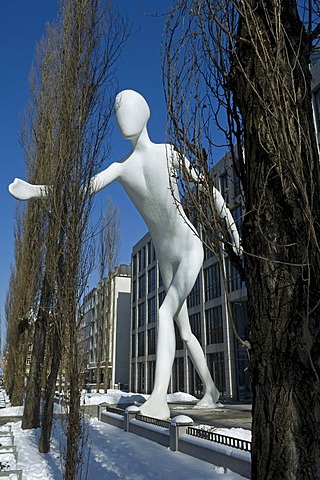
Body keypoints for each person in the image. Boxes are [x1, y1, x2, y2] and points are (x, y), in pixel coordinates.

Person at [9, 89, 241, 419]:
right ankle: (212, 389)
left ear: (144, 114)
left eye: (129, 111)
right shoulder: (121, 168)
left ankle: (158, 398)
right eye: (119, 114)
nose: (124, 119)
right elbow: (78, 191)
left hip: (189, 247)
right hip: (164, 257)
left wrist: (230, 223)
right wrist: (37, 191)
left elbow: (206, 186)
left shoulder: (169, 152)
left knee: (163, 313)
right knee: (184, 330)